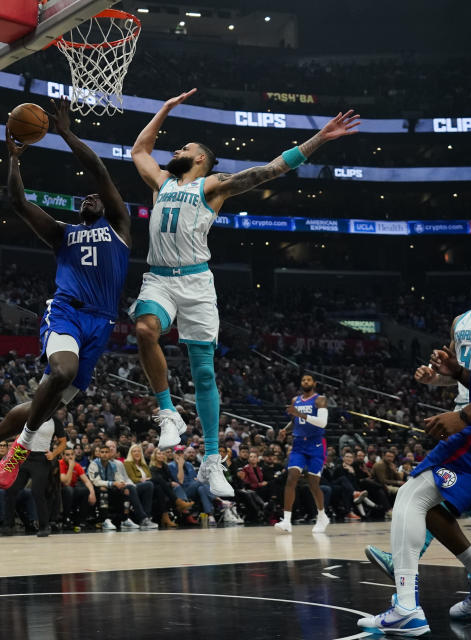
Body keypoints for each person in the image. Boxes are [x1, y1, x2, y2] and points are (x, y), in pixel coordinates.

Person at [128, 89, 359, 500]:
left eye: (186, 147)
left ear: (201, 159)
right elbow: (139, 149)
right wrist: (163, 108)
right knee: (146, 329)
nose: (176, 149)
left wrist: (318, 139)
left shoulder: (213, 186)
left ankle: (212, 461)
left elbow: (268, 171)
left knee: (203, 373)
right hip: (159, 277)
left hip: (196, 283)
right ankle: (167, 412)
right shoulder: (161, 183)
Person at [0, 97, 131, 490]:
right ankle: (21, 446)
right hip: (66, 312)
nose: (88, 198)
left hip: (101, 324)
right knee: (62, 372)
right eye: (85, 200)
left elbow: (97, 169)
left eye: (93, 198)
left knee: (41, 405)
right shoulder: (64, 234)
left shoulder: (120, 226)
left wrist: (65, 133)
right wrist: (14, 159)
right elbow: (18, 202)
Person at [358, 253, 471, 635]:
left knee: (411, 492)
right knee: (431, 506)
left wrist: (463, 416)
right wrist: (457, 372)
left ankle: (406, 607)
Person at [274, 375, 330, 534]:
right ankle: (286, 521)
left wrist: (300, 414)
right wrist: (286, 429)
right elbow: (295, 421)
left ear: (314, 383)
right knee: (291, 477)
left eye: (309, 380)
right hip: (298, 444)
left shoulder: (320, 400)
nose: (306, 382)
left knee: (313, 483)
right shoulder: (295, 400)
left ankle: (322, 515)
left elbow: (322, 422)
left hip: (316, 444)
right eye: (303, 380)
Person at [0, 417, 67, 537]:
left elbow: (63, 442)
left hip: (42, 459)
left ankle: (44, 526)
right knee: (11, 489)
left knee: (37, 492)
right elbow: (20, 436)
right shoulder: (30, 416)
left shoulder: (55, 422)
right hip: (25, 456)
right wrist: (14, 452)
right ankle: (8, 525)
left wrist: (54, 454)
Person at [58, 448, 95, 531]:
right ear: (63, 456)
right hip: (60, 491)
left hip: (71, 490)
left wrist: (92, 493)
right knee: (69, 489)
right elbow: (66, 483)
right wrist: (71, 466)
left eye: (72, 454)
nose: (70, 457)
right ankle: (66, 520)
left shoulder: (77, 465)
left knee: (85, 490)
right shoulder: (60, 464)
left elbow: (87, 481)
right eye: (67, 455)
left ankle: (81, 521)